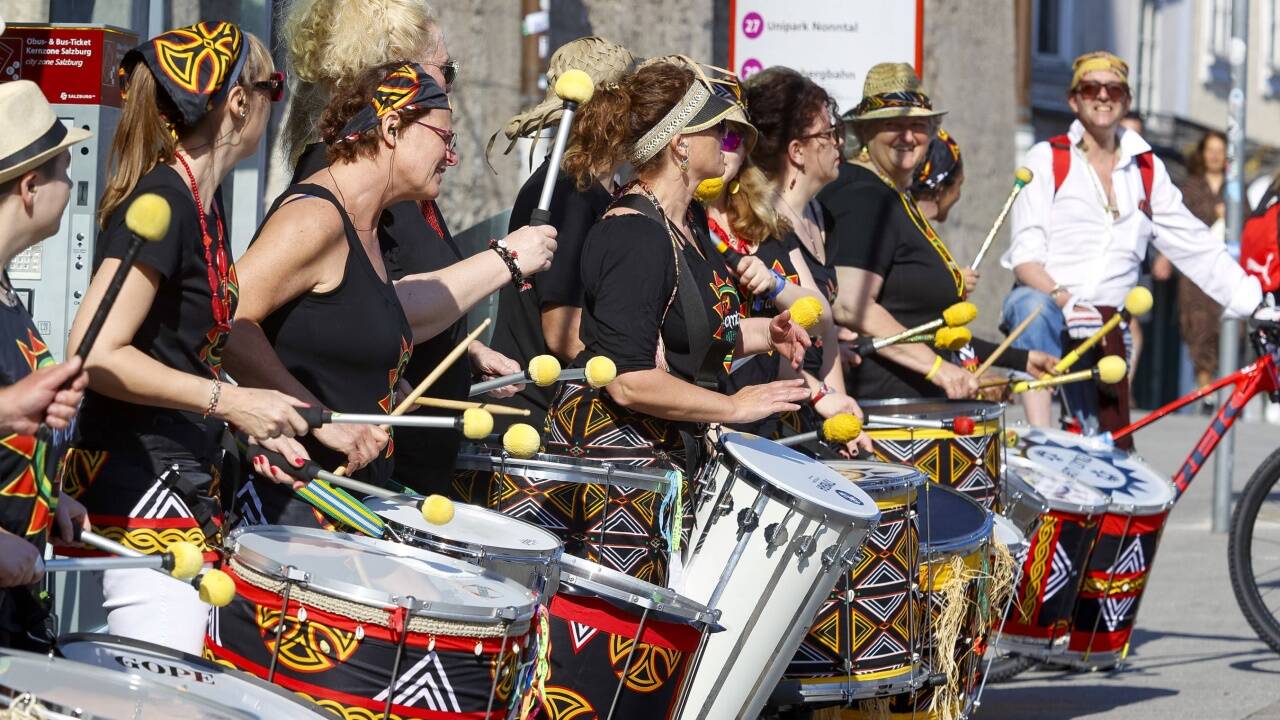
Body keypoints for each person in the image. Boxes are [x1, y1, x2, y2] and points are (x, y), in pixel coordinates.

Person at [224, 63, 556, 527]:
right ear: (393, 128)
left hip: (348, 500)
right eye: (445, 138)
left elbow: (332, 329)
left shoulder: (370, 227)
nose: (452, 157)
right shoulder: (315, 218)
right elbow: (226, 320)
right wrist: (320, 417)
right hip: (289, 503)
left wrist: (377, 381)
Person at [64, 24, 306, 654]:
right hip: (143, 482)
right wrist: (230, 402)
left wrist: (249, 421)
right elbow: (92, 352)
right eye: (274, 87)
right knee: (160, 684)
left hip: (180, 477)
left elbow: (174, 351)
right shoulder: (164, 202)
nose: (275, 103)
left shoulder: (203, 203)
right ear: (239, 102)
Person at [531, 57, 811, 584]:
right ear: (680, 143)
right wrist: (733, 406)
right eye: (717, 128)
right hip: (618, 486)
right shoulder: (635, 234)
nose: (728, 139)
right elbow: (629, 380)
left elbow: (694, 335)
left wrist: (764, 335)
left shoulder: (687, 225)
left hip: (662, 473)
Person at [279, 0, 540, 494]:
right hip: (332, 473)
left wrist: (463, 348)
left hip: (392, 461)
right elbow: (236, 320)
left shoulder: (397, 187)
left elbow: (373, 304)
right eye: (445, 71)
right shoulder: (333, 193)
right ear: (395, 106)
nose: (452, 155)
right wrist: (506, 259)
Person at [1000, 52, 1264, 445]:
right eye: (1091, 88)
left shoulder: (1145, 168)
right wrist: (1067, 300)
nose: (1102, 96)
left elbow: (1193, 243)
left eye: (1114, 89)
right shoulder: (1047, 158)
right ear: (1074, 100)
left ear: (1126, 101)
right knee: (1029, 306)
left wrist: (1255, 302)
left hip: (1109, 329)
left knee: (1102, 453)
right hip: (1052, 309)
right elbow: (1025, 258)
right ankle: (1042, 439)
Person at [824, 63, 1053, 401]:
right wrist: (938, 369)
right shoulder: (865, 196)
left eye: (917, 125)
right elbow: (850, 305)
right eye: (892, 124)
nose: (907, 137)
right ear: (866, 131)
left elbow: (919, 324)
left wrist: (1019, 359)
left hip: (914, 406)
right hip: (884, 411)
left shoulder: (891, 195)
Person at [487, 37, 634, 430]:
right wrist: (642, 385)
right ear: (613, 113)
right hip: (535, 422)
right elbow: (562, 332)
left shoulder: (595, 193)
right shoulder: (568, 194)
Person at [0, 80, 92, 647]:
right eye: (64, 168)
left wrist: (44, 495)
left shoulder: (5, 288)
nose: (72, 182)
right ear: (30, 186)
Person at [733, 66, 867, 451]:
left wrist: (843, 415)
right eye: (829, 134)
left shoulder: (821, 218)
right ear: (797, 151)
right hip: (773, 415)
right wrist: (823, 395)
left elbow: (826, 328)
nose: (839, 143)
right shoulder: (760, 227)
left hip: (815, 407)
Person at [1177, 129, 1228, 396]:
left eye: (1220, 151)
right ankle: (1205, 387)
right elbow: (1182, 222)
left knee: (1227, 329)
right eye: (1211, 150)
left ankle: (1222, 387)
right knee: (1199, 327)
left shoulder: (1235, 187)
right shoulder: (1191, 186)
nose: (1215, 156)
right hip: (1197, 270)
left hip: (1227, 267)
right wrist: (1215, 213)